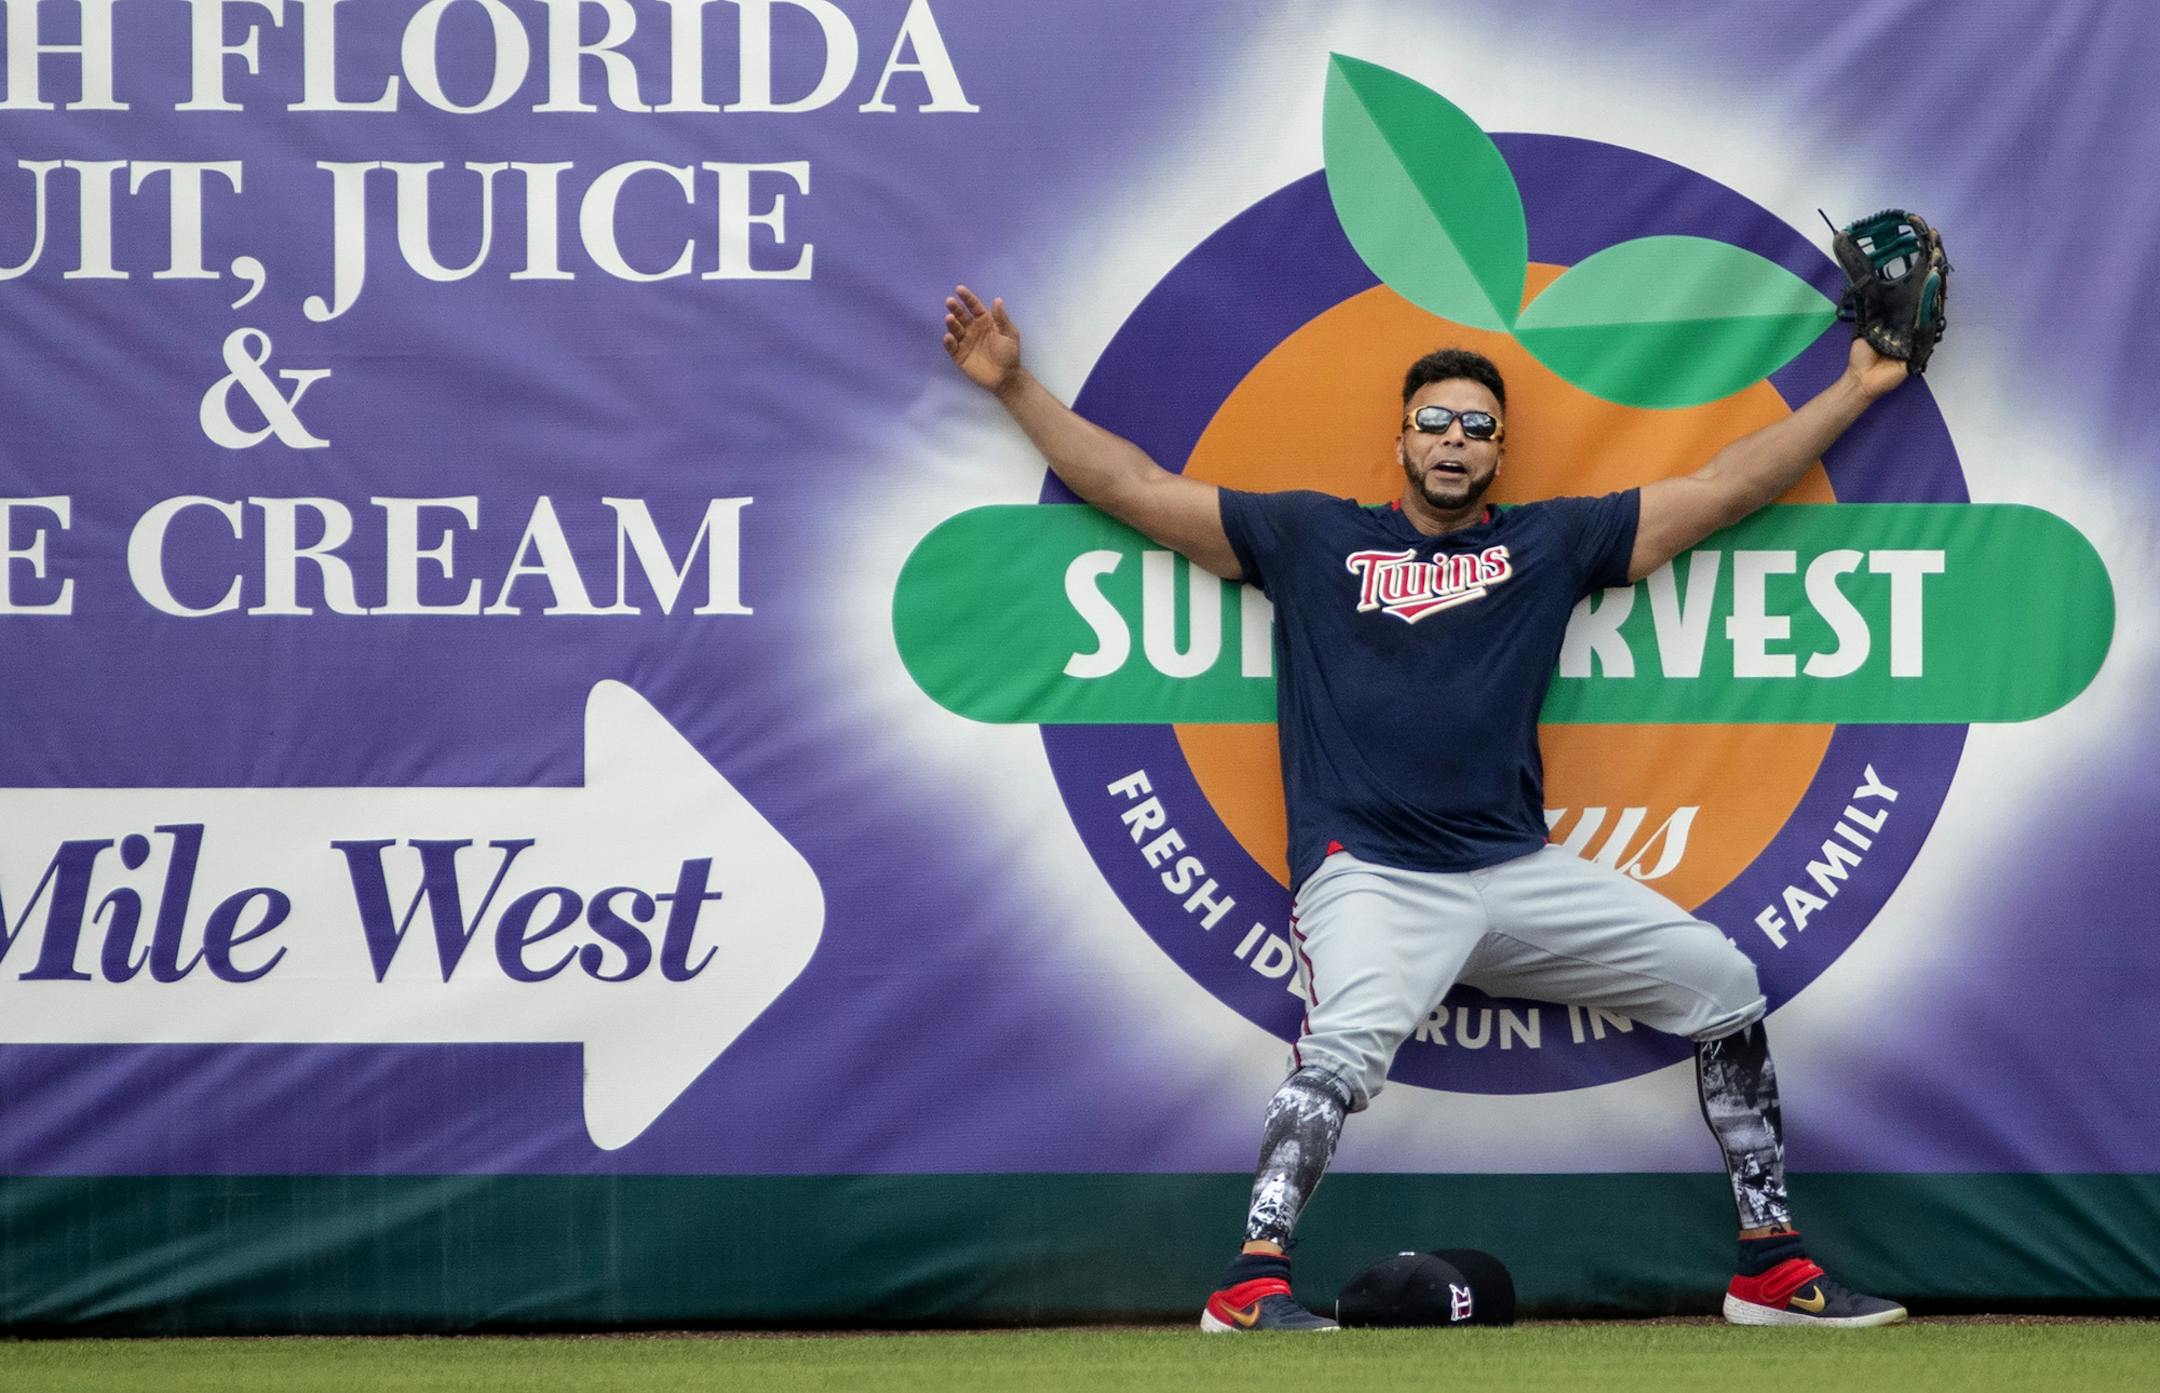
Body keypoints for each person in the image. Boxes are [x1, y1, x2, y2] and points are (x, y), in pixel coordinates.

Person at [942, 284, 1915, 1331]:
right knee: (1344, 1049)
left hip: (1512, 869)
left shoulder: (1550, 543)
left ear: (1501, 453)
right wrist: (1013, 388)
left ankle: (1769, 1266)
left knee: (1724, 982)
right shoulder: (1309, 536)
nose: (1454, 442)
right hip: (1366, 869)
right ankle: (1250, 1282)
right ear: (1401, 438)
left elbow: (1723, 488)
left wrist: (1857, 388)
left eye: (1478, 429)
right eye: (1435, 423)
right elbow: (1133, 485)